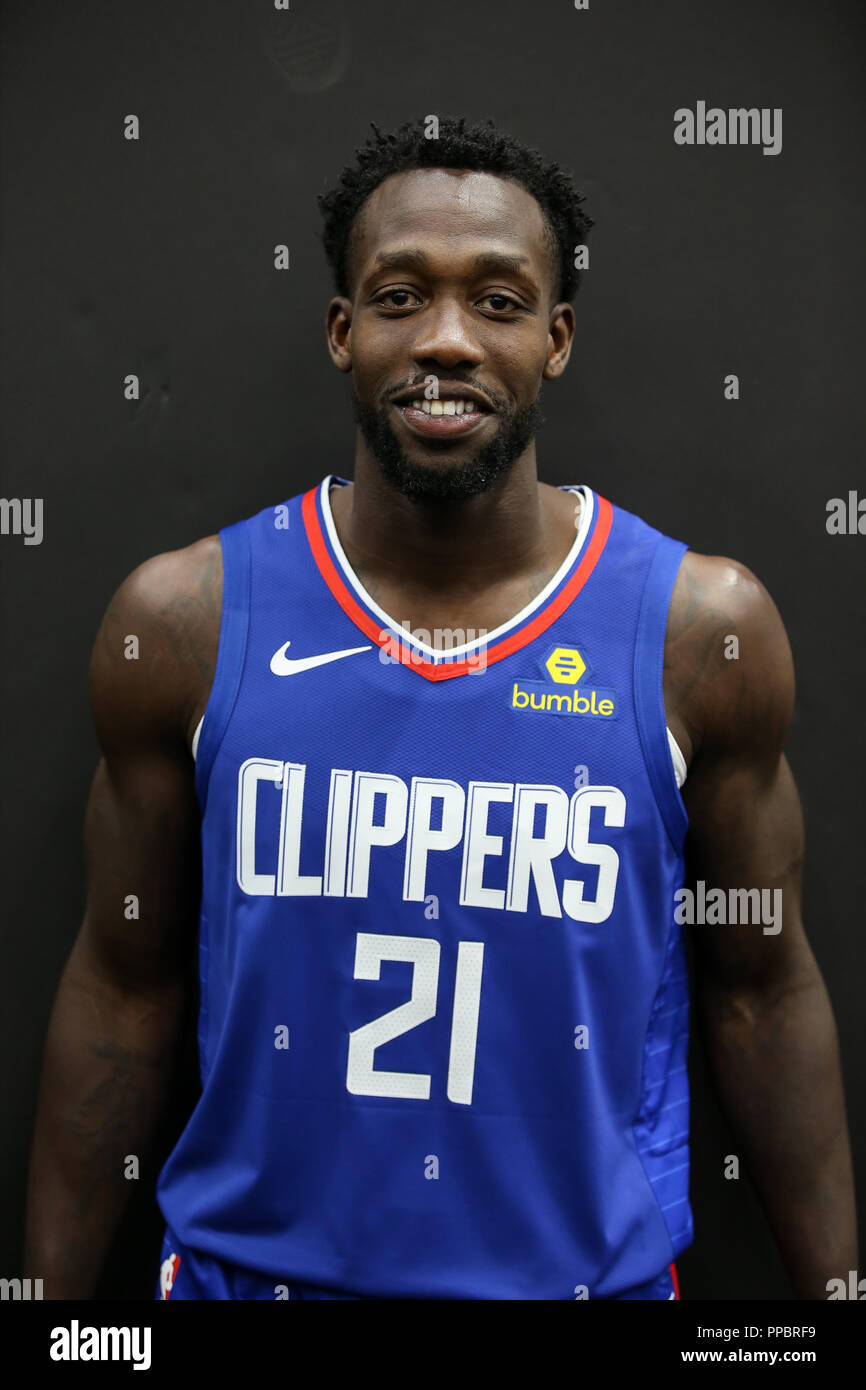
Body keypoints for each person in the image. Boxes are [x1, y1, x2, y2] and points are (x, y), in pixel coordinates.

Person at [25, 116, 856, 1300]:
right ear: (340, 330)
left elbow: (761, 988)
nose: (448, 340)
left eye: (501, 302)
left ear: (556, 338)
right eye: (401, 295)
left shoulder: (694, 633)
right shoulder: (186, 622)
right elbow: (123, 981)